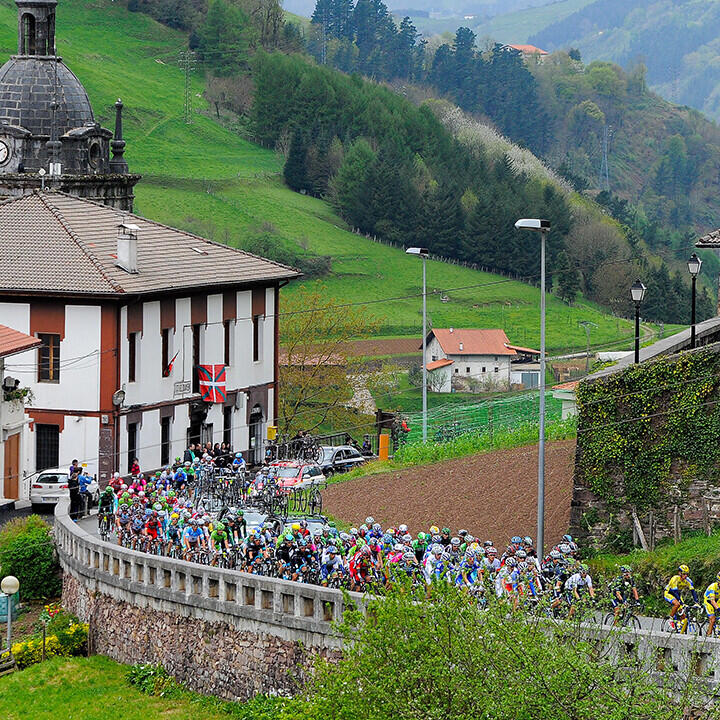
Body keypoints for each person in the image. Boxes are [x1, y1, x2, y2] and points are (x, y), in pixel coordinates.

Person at [664, 565, 700, 632]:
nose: (685, 576)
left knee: (683, 613)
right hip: (669, 593)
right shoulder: (675, 578)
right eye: (684, 574)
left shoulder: (688, 581)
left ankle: (678, 625)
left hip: (678, 594)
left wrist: (696, 602)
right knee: (677, 604)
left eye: (687, 574)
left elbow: (693, 591)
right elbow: (674, 592)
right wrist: (680, 602)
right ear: (679, 573)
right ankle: (670, 619)